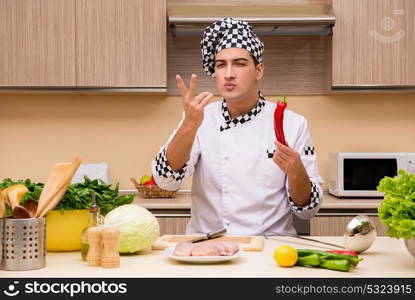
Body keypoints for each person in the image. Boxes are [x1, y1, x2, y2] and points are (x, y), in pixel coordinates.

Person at [151, 17, 323, 236]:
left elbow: (308, 210)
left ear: (258, 70)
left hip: (270, 251)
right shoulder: (199, 118)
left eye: (240, 64)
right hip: (207, 249)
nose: (229, 73)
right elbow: (165, 182)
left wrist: (296, 170)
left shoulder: (293, 124)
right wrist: (189, 125)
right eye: (221, 65)